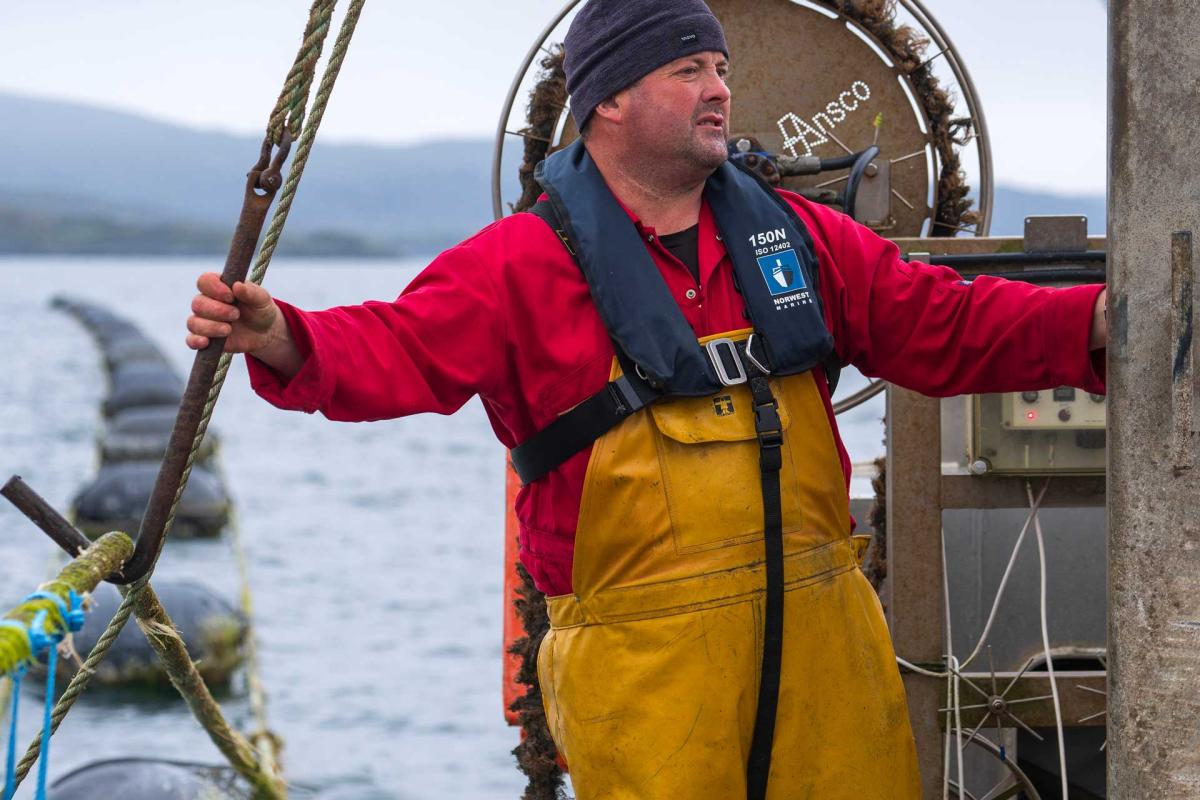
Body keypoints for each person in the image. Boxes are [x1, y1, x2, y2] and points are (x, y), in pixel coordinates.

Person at [186, 1, 1107, 796]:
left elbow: (948, 324)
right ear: (609, 101)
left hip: (831, 645)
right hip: (645, 675)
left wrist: (1100, 325)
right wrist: (280, 335)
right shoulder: (516, 266)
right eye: (687, 69)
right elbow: (394, 347)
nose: (719, 88)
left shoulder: (804, 240)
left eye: (721, 68)